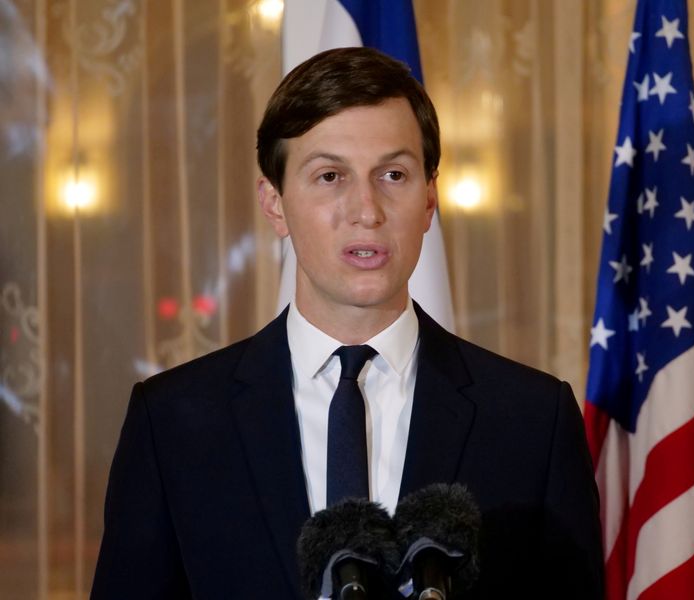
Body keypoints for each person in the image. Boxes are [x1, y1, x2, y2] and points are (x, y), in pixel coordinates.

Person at [91, 47, 603, 599]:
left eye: (394, 174)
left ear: (429, 199)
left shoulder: (533, 420)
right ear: (274, 203)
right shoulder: (172, 422)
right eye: (331, 175)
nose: (367, 209)